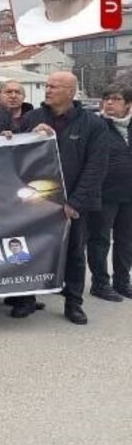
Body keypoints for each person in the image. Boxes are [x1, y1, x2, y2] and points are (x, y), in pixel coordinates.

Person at [12, 71, 108, 324]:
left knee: (75, 253)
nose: (48, 89)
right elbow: (13, 154)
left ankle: (73, 302)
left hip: (73, 204)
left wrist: (75, 202)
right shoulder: (31, 118)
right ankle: (26, 299)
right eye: (47, 85)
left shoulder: (93, 124)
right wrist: (30, 135)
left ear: (71, 92)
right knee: (30, 249)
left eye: (55, 86)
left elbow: (96, 167)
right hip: (36, 201)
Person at [86, 86, 132, 301]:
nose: (110, 103)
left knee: (126, 240)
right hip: (104, 194)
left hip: (129, 194)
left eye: (116, 99)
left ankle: (122, 282)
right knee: (100, 240)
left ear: (128, 104)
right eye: (107, 99)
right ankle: (100, 283)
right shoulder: (97, 125)